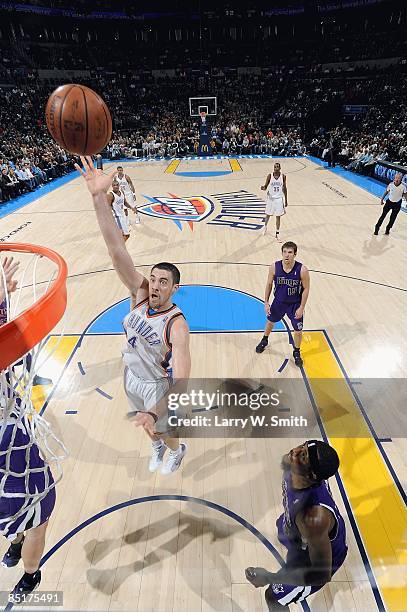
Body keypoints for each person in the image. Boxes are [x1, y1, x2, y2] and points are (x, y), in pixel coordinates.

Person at [75, 156, 190, 474]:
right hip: (131, 375)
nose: (154, 286)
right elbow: (116, 250)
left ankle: (177, 450)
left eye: (163, 282)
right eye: (153, 278)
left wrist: (157, 409)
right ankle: (156, 445)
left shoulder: (177, 325)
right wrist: (98, 198)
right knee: (147, 429)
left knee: (161, 428)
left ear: (174, 288)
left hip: (158, 383)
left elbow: (181, 379)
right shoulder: (139, 293)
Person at [0, 256, 56, 596]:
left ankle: (16, 538)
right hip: (10, 434)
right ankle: (31, 574)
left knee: (17, 511)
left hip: (9, 428)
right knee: (39, 511)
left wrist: (2, 297)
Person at [245, 440, 347, 610]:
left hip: (318, 561)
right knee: (284, 530)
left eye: (304, 455)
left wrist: (270, 577)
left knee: (273, 597)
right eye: (304, 445)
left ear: (312, 476)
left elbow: (321, 575)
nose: (295, 451)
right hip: (307, 534)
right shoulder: (291, 463)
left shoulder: (313, 518)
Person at [255, 242, 310, 367]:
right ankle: (264, 340)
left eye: (290, 252)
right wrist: (266, 302)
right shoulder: (274, 266)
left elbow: (306, 289)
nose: (287, 255)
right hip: (278, 302)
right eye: (284, 252)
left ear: (295, 254)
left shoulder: (302, 270)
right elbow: (269, 284)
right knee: (270, 322)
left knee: (298, 330)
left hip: (294, 304)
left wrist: (302, 307)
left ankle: (296, 352)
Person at [261, 162, 287, 241]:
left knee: (278, 216)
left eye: (277, 167)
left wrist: (286, 200)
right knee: (268, 214)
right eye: (275, 167)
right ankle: (265, 227)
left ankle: (277, 233)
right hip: (271, 198)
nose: (276, 168)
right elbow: (265, 186)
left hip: (279, 198)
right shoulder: (270, 176)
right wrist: (263, 187)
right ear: (273, 168)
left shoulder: (283, 176)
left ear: (280, 168)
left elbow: (285, 188)